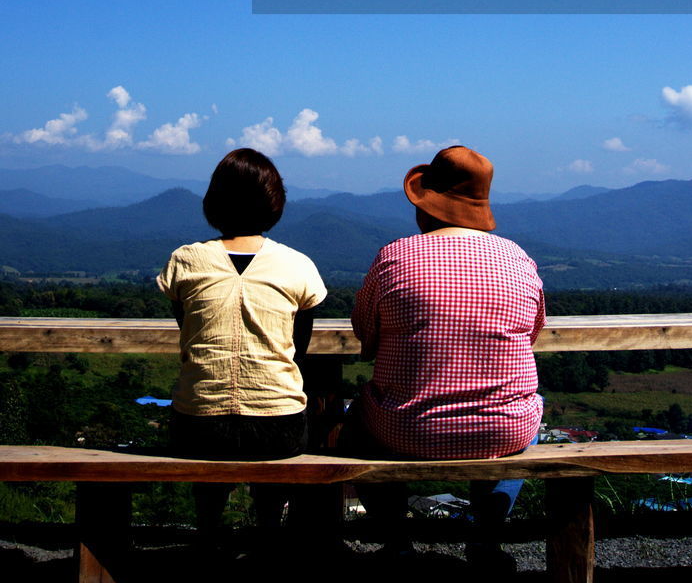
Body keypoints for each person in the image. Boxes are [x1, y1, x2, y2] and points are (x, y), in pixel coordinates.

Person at [347, 145, 545, 570]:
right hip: (502, 431)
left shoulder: (394, 257)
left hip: (406, 429)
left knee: (354, 420)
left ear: (426, 207)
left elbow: (365, 332)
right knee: (524, 416)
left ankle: (397, 544)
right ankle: (485, 540)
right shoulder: (519, 260)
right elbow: (530, 334)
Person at [156, 147, 327, 549]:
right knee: (280, 442)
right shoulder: (298, 265)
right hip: (277, 425)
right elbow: (295, 349)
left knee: (203, 451)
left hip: (199, 424)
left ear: (213, 202)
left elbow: (188, 330)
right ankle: (269, 532)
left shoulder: (185, 260)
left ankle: (209, 535)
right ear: (275, 203)